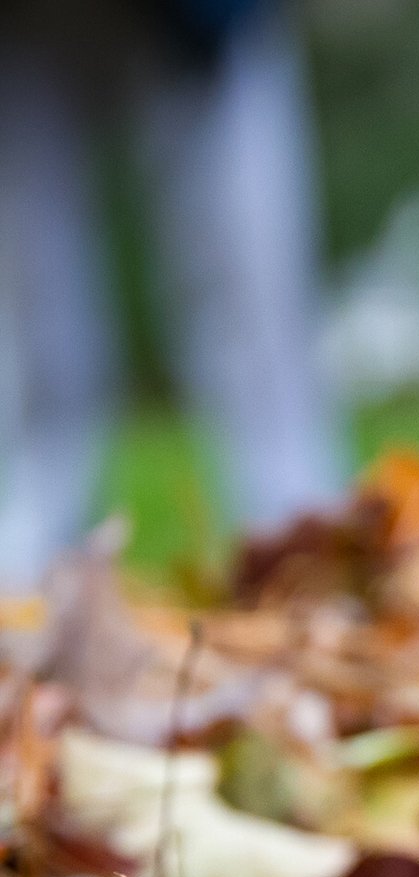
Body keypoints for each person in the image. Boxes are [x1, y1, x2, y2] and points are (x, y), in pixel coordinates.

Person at [0, 0, 345, 590]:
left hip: (203, 20)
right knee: (32, 296)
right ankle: (32, 571)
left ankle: (305, 546)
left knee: (251, 271)